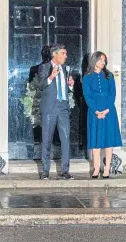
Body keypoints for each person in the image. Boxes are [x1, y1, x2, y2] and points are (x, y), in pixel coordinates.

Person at [38, 43, 75, 180]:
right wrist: (51, 76)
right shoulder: (44, 67)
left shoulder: (66, 68)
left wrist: (71, 86)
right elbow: (41, 86)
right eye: (63, 53)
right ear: (55, 54)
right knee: (46, 139)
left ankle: (65, 170)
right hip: (49, 108)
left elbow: (65, 88)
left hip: (63, 108)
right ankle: (45, 171)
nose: (66, 56)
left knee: (65, 139)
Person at [83, 52, 122, 179]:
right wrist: (96, 110)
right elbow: (87, 95)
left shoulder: (109, 76)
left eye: (104, 60)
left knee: (108, 140)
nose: (103, 63)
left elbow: (112, 94)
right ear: (94, 61)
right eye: (100, 60)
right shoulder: (87, 77)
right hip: (94, 111)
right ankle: (96, 168)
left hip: (108, 110)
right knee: (96, 140)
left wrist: (106, 109)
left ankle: (107, 169)